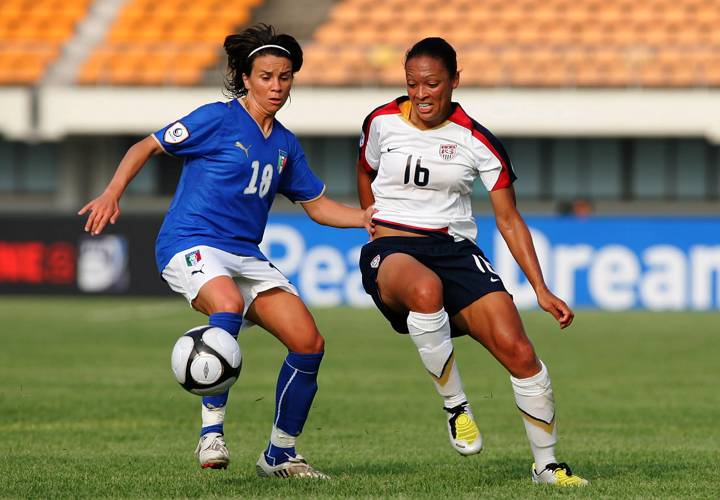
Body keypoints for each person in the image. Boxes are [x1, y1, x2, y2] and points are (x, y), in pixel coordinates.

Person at [80, 23, 373, 479]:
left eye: (285, 77)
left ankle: (280, 456)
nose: (277, 86)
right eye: (266, 77)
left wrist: (366, 219)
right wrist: (112, 193)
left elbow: (318, 207)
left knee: (308, 343)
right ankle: (211, 433)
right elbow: (147, 145)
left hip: (244, 254)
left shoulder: (285, 144)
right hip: (189, 241)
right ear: (245, 77)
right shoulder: (217, 118)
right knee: (228, 304)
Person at [356, 37, 588, 487]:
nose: (421, 93)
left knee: (520, 352)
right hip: (395, 248)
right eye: (412, 83)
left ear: (455, 82)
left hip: (456, 251)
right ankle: (456, 407)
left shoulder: (479, 141)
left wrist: (540, 288)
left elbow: (509, 219)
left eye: (432, 84)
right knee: (425, 291)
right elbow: (365, 167)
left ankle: (547, 466)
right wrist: (373, 220)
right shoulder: (380, 121)